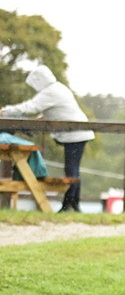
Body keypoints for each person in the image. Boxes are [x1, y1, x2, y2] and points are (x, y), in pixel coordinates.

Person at [2, 65, 95, 212]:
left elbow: (30, 107)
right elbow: (55, 111)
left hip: (75, 133)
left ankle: (70, 205)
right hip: (77, 132)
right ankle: (72, 204)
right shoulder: (58, 88)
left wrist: (4, 111)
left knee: (71, 171)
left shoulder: (51, 91)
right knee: (73, 170)